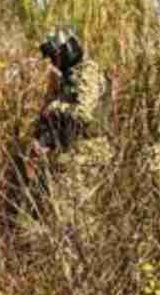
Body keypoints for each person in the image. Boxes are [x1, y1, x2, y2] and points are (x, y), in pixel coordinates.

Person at [27, 26, 113, 226]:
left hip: (87, 155)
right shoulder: (69, 77)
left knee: (79, 220)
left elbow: (84, 115)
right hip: (70, 155)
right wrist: (42, 140)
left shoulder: (88, 72)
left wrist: (56, 107)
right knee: (63, 217)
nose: (53, 63)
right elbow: (59, 119)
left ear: (65, 51)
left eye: (54, 57)